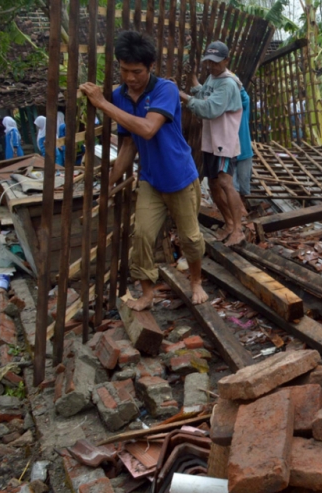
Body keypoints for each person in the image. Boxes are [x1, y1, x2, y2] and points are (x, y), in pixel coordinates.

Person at [79, 30, 208, 310]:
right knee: (142, 237)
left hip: (179, 177)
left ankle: (196, 281)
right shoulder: (120, 96)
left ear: (151, 67)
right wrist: (108, 184)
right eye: (124, 70)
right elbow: (128, 146)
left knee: (191, 238)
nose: (130, 78)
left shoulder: (166, 89)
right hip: (150, 179)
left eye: (136, 71)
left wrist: (102, 104)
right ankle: (148, 293)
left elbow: (148, 129)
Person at [180, 40, 246, 247]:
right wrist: (193, 82)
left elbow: (210, 109)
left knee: (225, 182)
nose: (211, 65)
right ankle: (228, 223)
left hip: (224, 141)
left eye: (216, 62)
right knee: (214, 184)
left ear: (226, 60)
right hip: (211, 141)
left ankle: (238, 229)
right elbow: (205, 93)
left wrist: (182, 96)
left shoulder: (227, 83)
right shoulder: (212, 77)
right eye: (208, 62)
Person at [232, 83, 254, 209]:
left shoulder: (242, 108)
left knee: (244, 186)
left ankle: (244, 209)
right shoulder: (225, 110)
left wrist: (239, 85)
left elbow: (245, 97)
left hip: (244, 152)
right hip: (231, 152)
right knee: (233, 186)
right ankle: (239, 211)